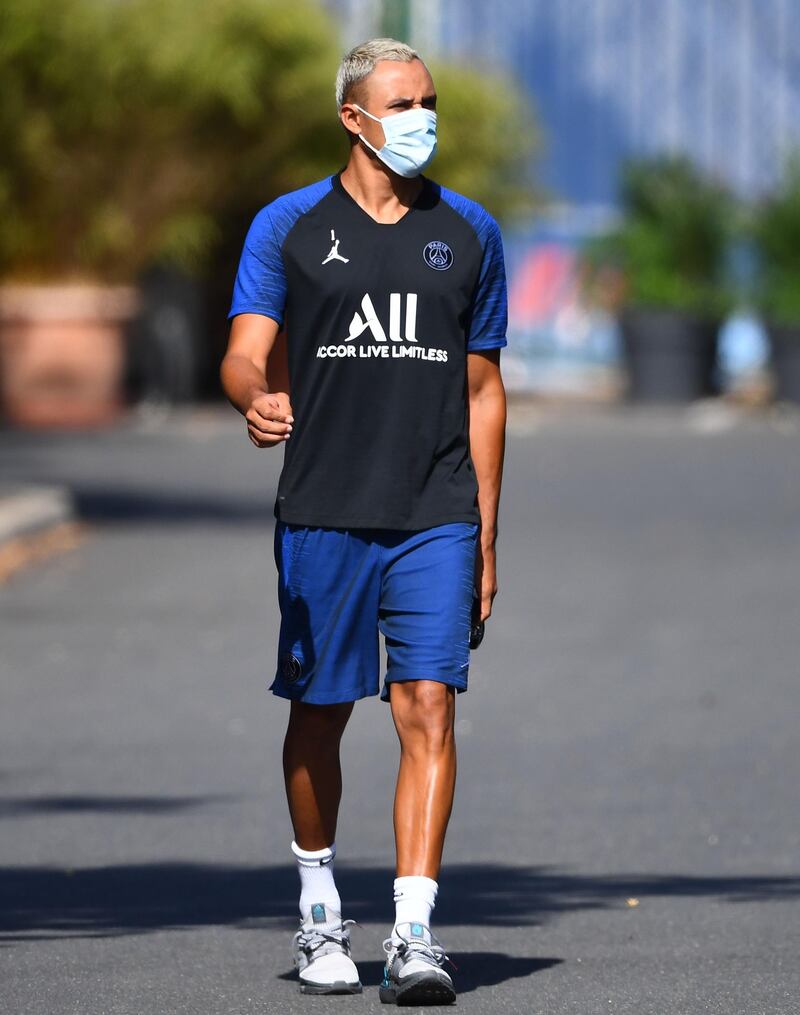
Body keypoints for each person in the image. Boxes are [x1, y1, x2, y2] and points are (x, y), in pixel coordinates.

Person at [220, 37, 507, 1006]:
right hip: (324, 511)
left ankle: (415, 934)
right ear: (353, 117)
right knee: (320, 712)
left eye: (429, 100)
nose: (421, 117)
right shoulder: (289, 226)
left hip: (434, 512)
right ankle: (317, 912)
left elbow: (483, 390)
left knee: (427, 706)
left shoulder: (468, 232)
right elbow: (242, 350)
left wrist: (484, 532)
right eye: (402, 103)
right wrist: (250, 396)